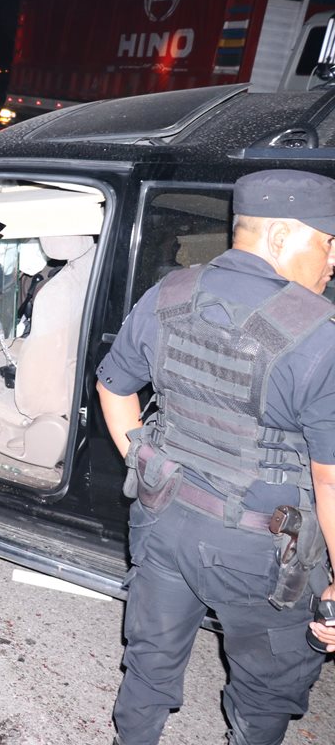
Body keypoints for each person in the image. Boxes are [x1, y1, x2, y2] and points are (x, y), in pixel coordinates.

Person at [95, 169, 335, 745]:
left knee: (149, 664)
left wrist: (148, 466)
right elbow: (329, 480)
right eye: (329, 242)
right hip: (261, 551)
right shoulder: (322, 337)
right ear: (281, 236)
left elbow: (112, 386)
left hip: (162, 520)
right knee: (264, 693)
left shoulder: (170, 293)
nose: (333, 260)